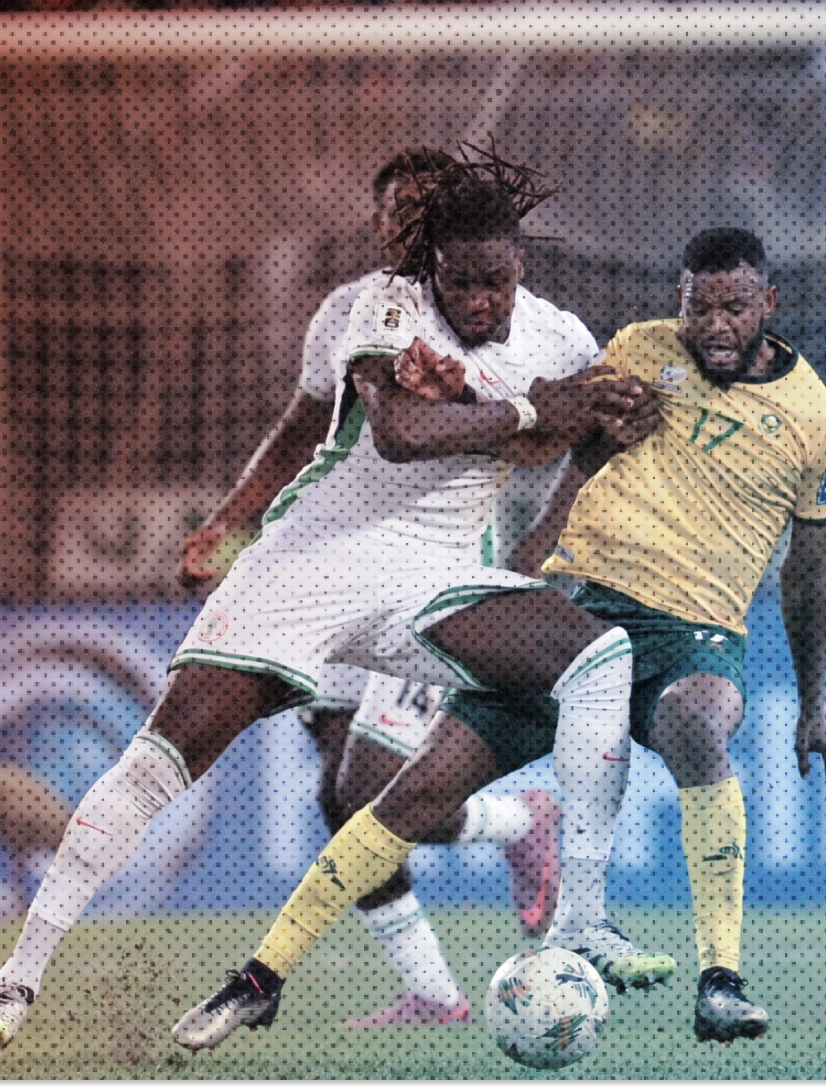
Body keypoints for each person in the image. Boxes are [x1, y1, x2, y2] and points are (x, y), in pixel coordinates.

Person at [0, 151, 664, 1053]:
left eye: (496, 280)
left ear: (519, 262)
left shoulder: (561, 338)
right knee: (160, 763)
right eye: (460, 281)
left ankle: (579, 914)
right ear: (426, 260)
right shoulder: (385, 305)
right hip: (308, 564)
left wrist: (567, 497)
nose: (478, 301)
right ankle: (16, 980)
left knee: (596, 653)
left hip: (438, 574)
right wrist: (530, 411)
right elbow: (405, 434)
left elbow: (589, 437)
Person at [174, 227, 826, 1051]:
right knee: (406, 793)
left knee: (694, 722)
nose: (715, 324)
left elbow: (810, 571)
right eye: (699, 306)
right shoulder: (642, 350)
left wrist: (813, 707)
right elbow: (571, 454)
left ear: (769, 305)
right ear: (678, 301)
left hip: (695, 632)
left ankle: (720, 979)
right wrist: (531, 559)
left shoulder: (820, 422)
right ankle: (260, 977)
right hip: (577, 609)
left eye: (735, 307)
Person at [181, 148, 569, 1029]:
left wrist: (536, 549)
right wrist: (230, 524)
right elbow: (294, 435)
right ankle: (435, 990)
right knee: (334, 791)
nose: (403, 227)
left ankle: (520, 822)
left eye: (420, 213)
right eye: (392, 213)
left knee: (366, 796)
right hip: (330, 572)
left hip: (425, 581)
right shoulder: (347, 314)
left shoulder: (488, 323)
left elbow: (545, 435)